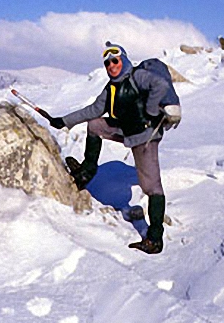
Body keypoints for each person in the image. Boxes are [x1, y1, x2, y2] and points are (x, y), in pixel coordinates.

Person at [49, 42, 174, 254]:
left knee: (152, 188)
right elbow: (95, 110)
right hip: (125, 130)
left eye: (115, 61)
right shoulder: (112, 88)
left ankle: (154, 239)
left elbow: (160, 85)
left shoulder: (137, 77)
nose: (111, 65)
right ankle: (86, 173)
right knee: (96, 125)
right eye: (107, 63)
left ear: (123, 59)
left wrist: (153, 111)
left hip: (145, 138)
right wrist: (65, 121)